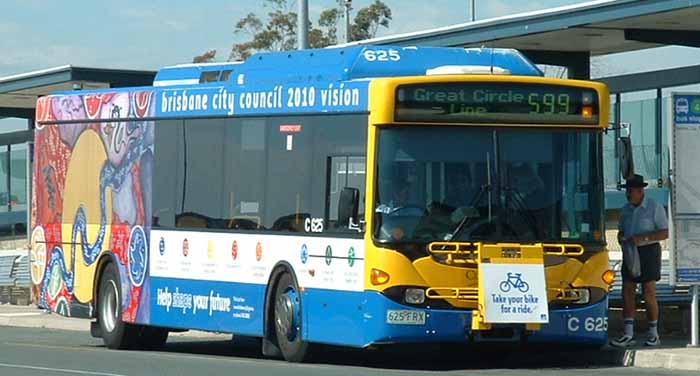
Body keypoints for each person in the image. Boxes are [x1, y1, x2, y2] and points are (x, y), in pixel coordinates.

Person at [611, 174, 669, 348]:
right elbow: (620, 230)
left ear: (640, 191)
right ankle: (628, 333)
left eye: (631, 191)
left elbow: (664, 232)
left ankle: (653, 333)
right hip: (630, 251)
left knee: (648, 291)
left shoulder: (653, 207)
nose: (628, 195)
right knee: (627, 289)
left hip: (648, 251)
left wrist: (643, 238)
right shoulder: (625, 210)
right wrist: (622, 238)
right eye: (627, 191)